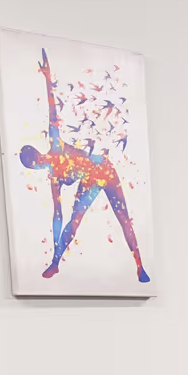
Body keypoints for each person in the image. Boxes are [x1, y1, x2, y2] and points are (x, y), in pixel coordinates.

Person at [17, 48, 151, 284]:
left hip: (104, 170)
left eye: (37, 161)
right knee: (74, 220)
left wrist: (48, 79)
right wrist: (55, 250)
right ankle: (56, 263)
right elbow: (57, 217)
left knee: (123, 218)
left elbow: (52, 111)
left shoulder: (55, 145)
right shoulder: (54, 180)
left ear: (39, 155)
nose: (40, 165)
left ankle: (140, 266)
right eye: (36, 166)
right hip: (90, 180)